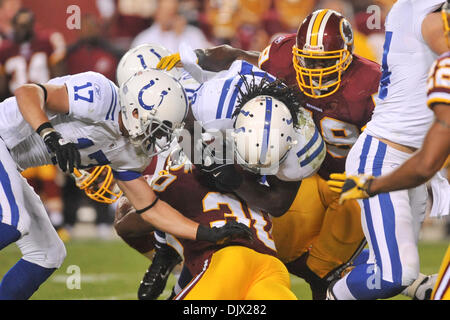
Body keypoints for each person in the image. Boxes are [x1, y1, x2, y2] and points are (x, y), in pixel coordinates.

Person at [158, 8, 381, 299]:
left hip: (350, 183)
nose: (313, 69)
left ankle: (381, 277)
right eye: (307, 59)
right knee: (285, 252)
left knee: (326, 270)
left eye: (322, 61)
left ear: (346, 56)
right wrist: (198, 57)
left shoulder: (372, 84)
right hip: (306, 170)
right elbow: (234, 55)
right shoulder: (282, 55)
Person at [0, 66, 251, 299]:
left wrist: (204, 232)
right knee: (14, 221)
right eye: (156, 127)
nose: (158, 137)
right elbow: (27, 92)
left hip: (11, 159)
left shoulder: (133, 151)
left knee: (48, 254)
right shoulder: (101, 96)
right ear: (134, 111)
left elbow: (149, 207)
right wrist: (49, 134)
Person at [114, 44, 326, 299]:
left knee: (153, 201)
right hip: (270, 264)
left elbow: (279, 203)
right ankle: (165, 250)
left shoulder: (303, 137)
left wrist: (235, 180)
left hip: (225, 259)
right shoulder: (207, 107)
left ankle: (166, 249)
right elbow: (231, 56)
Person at [321, 0, 448, 300]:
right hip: (383, 156)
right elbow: (440, 35)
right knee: (395, 274)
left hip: (412, 164)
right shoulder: (423, 11)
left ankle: (345, 275)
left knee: (393, 268)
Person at [118, 149, 298, 300]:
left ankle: (164, 254)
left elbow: (133, 225)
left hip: (228, 261)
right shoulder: (243, 179)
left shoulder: (174, 179)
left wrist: (125, 209)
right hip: (272, 267)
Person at [0, 8, 66, 100]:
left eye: (27, 25)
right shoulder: (5, 49)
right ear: (14, 26)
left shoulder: (47, 41)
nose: (24, 29)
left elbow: (59, 73)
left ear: (33, 25)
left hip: (45, 97)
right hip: (15, 101)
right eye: (20, 25)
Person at [131, 0, 211, 53]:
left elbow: (203, 61)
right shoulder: (144, 39)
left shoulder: (194, 34)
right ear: (157, 13)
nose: (170, 17)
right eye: (166, 12)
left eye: (173, 12)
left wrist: (179, 37)